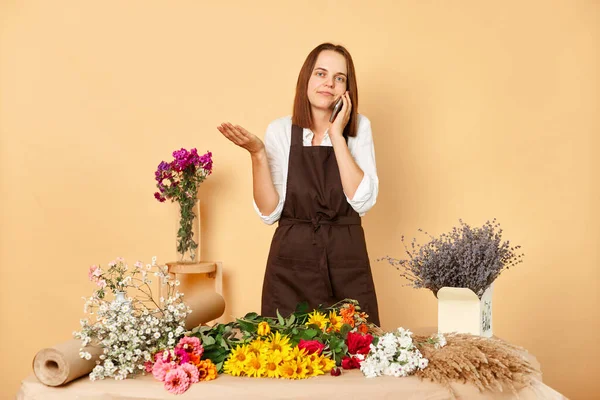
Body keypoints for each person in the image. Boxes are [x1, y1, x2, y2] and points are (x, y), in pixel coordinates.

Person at [217, 42, 380, 326]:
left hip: (345, 259)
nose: (328, 83)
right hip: (291, 264)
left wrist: (337, 136)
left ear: (347, 89)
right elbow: (270, 213)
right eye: (321, 74)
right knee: (287, 358)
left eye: (339, 78)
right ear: (306, 78)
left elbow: (361, 200)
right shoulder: (280, 130)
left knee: (353, 356)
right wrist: (257, 154)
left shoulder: (358, 128)